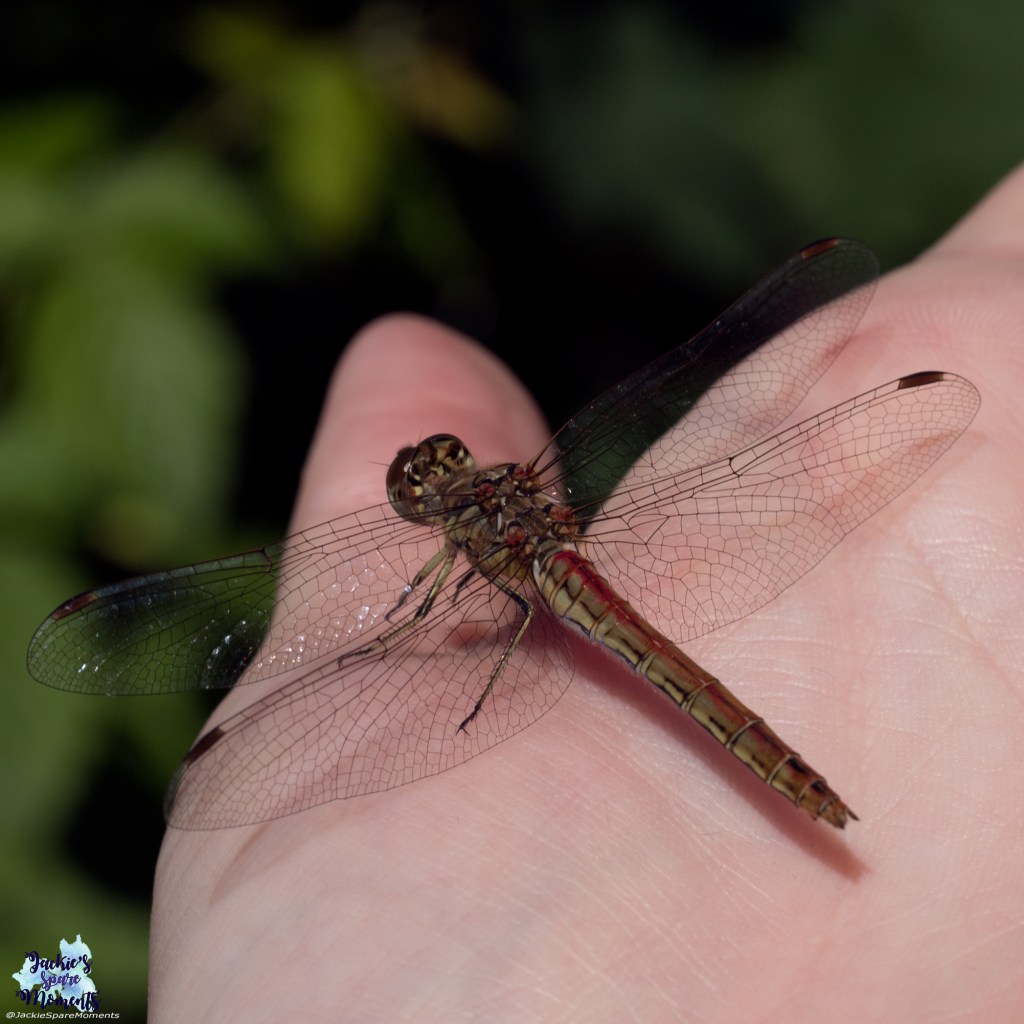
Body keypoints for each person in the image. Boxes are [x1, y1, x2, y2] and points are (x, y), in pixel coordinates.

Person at [149, 167, 1023, 1021]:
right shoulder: (503, 500)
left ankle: (800, 784)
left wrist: (417, 643)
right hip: (567, 570)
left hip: (554, 582)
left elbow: (420, 609)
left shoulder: (460, 543)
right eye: (425, 476)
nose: (433, 475)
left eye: (432, 471)